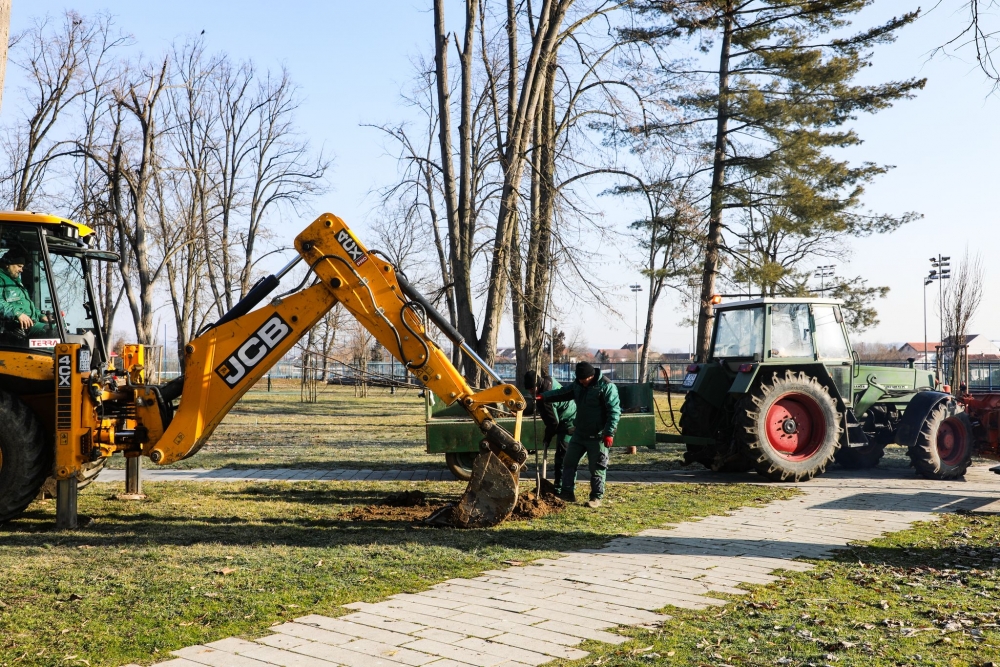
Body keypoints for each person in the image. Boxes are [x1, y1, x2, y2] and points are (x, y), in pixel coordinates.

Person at [538, 361, 621, 508]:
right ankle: (567, 493)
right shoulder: (578, 384)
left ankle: (596, 497)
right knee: (568, 462)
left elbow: (614, 412)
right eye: (580, 379)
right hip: (579, 433)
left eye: (584, 379)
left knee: (597, 467)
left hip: (598, 436)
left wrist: (609, 433)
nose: (582, 382)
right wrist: (544, 396)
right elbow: (563, 393)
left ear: (591, 376)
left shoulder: (607, 387)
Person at [524, 369, 576, 495]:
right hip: (569, 414)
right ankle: (560, 487)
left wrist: (547, 438)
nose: (530, 392)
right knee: (562, 457)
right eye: (528, 390)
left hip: (570, 422)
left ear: (537, 384)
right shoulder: (548, 379)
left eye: (532, 389)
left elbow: (553, 423)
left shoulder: (546, 399)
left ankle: (562, 489)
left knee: (563, 458)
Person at [0, 250, 49, 343]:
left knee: (59, 327)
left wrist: (41, 315)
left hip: (30, 323)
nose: (21, 270)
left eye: (22, 267)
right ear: (7, 264)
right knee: (52, 332)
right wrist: (17, 314)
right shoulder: (1, 279)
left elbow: (27, 306)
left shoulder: (16, 281)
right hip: (14, 326)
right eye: (19, 266)